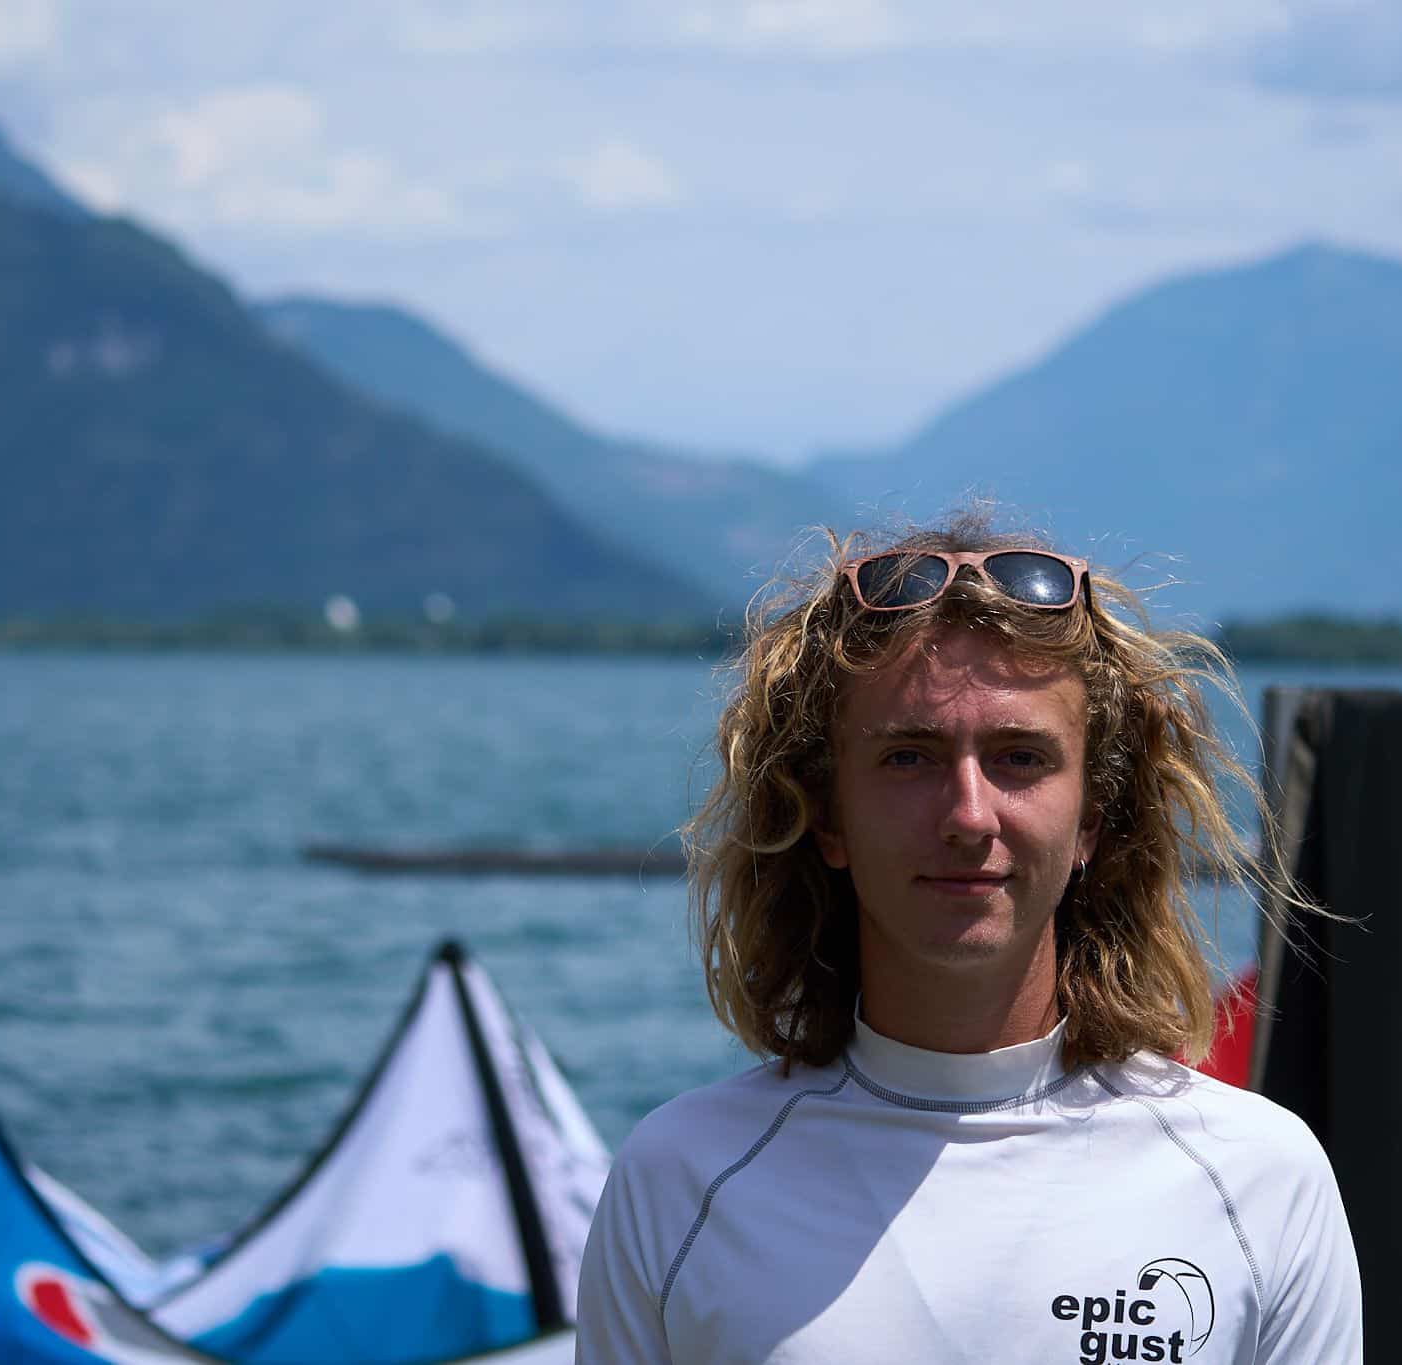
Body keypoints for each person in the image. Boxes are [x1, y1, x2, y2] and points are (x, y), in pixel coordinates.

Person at [576, 512, 1361, 1363]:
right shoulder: (681, 1181)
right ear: (827, 816)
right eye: (909, 757)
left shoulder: (1258, 1178)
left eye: (1020, 757)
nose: (968, 815)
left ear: (1092, 817)